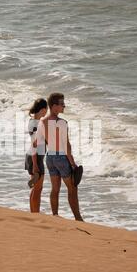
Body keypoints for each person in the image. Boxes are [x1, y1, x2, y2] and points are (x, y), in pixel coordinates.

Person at [35, 93, 84, 221]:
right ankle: (78, 218)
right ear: (54, 106)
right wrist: (72, 163)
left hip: (49, 157)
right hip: (61, 158)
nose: (64, 106)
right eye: (62, 104)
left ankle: (55, 215)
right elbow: (66, 144)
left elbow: (37, 143)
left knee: (55, 189)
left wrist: (35, 163)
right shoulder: (61, 123)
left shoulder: (42, 122)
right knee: (72, 188)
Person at [25, 98, 47, 213]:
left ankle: (33, 212)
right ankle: (35, 214)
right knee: (38, 189)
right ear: (43, 109)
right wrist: (35, 165)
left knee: (36, 188)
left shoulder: (33, 121)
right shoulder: (36, 124)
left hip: (35, 157)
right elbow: (34, 144)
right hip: (35, 158)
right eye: (46, 109)